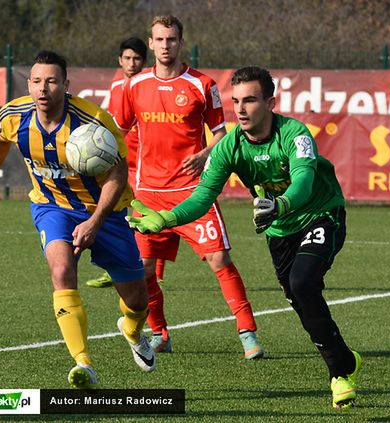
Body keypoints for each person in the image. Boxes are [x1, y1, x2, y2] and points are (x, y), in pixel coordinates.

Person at [128, 66, 362, 408]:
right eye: (235, 100)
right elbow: (203, 195)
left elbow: (303, 183)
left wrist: (281, 204)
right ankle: (347, 362)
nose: (240, 108)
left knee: (303, 282)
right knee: (298, 297)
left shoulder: (295, 134)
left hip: (320, 215)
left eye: (250, 100)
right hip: (280, 231)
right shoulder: (229, 147)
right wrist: (166, 217)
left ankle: (338, 376)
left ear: (270, 102)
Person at [0, 50, 156, 390]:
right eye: (37, 81)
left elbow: (118, 173)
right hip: (51, 206)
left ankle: (132, 329)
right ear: (29, 84)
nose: (43, 89)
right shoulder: (15, 115)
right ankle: (83, 363)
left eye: (52, 81)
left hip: (106, 212)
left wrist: (96, 221)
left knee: (137, 298)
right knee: (61, 271)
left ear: (66, 85)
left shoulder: (93, 121)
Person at [113, 14, 263, 358]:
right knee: (144, 270)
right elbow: (119, 134)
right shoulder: (133, 87)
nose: (166, 45)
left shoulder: (202, 84)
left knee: (219, 258)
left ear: (181, 43)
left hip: (193, 192)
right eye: (159, 40)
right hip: (148, 195)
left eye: (172, 39)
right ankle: (160, 333)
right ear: (150, 43)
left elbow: (224, 135)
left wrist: (204, 153)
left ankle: (248, 333)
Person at [86, 37, 170, 289]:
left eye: (136, 59)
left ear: (144, 61)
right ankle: (118, 266)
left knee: (145, 213)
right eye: (127, 58)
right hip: (120, 161)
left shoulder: (146, 87)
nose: (131, 63)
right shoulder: (115, 87)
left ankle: (149, 268)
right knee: (117, 212)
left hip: (145, 163)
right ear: (119, 60)